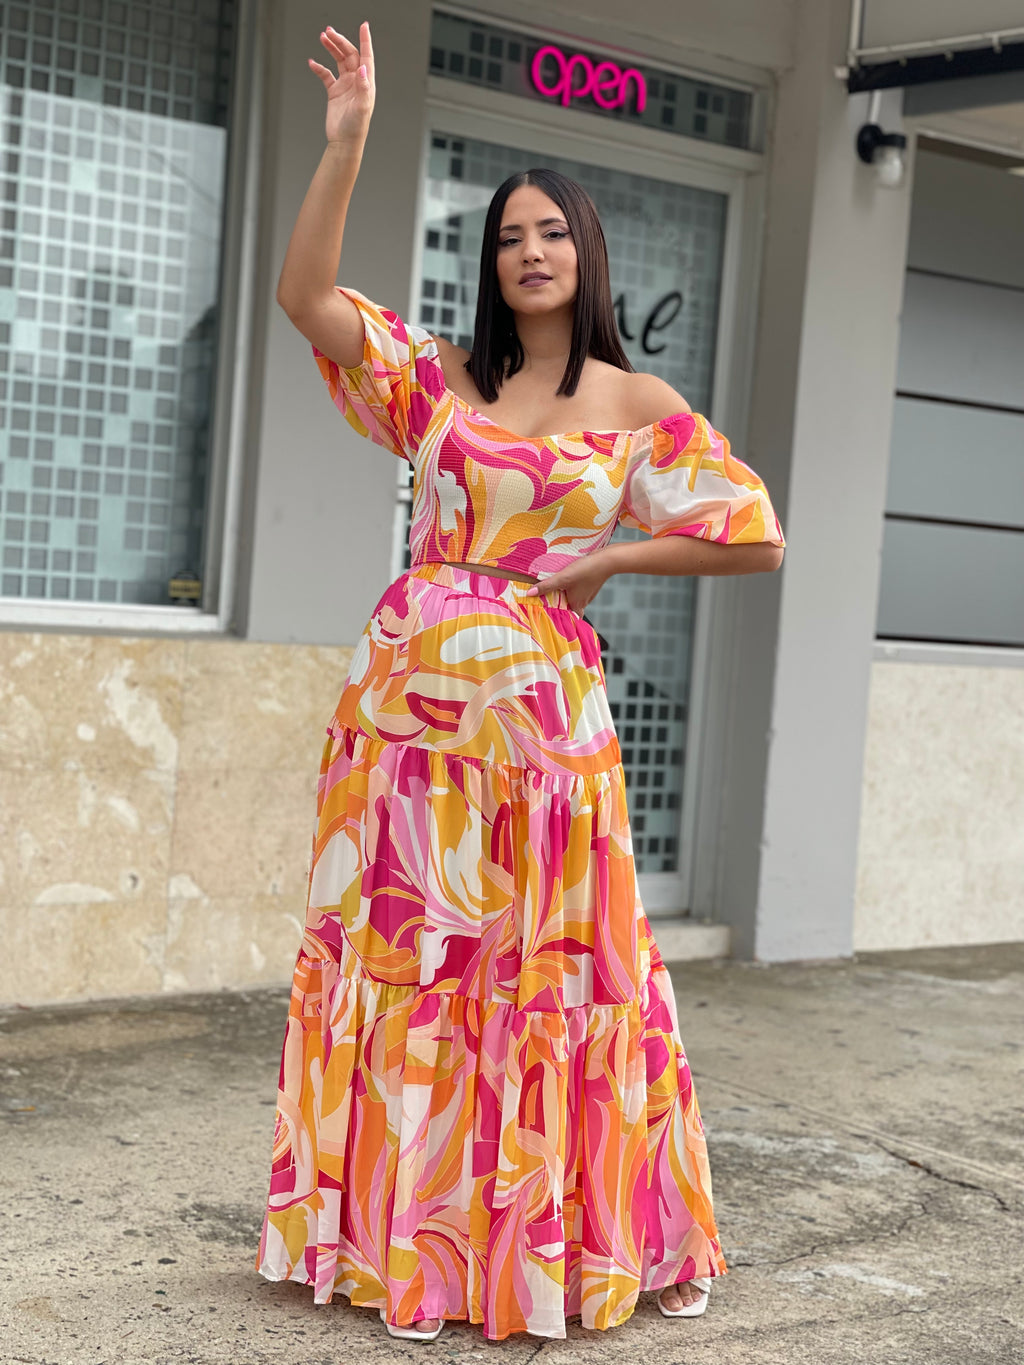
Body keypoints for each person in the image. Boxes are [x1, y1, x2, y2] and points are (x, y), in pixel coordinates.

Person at [256, 21, 785, 1345]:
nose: (529, 251)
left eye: (550, 231)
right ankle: (416, 1252)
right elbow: (307, 298)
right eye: (507, 236)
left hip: (547, 735)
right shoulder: (439, 377)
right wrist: (348, 147)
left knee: (564, 981)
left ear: (586, 251)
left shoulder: (630, 397)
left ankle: (582, 1241)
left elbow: (753, 529)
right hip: (407, 728)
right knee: (417, 973)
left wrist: (613, 551)